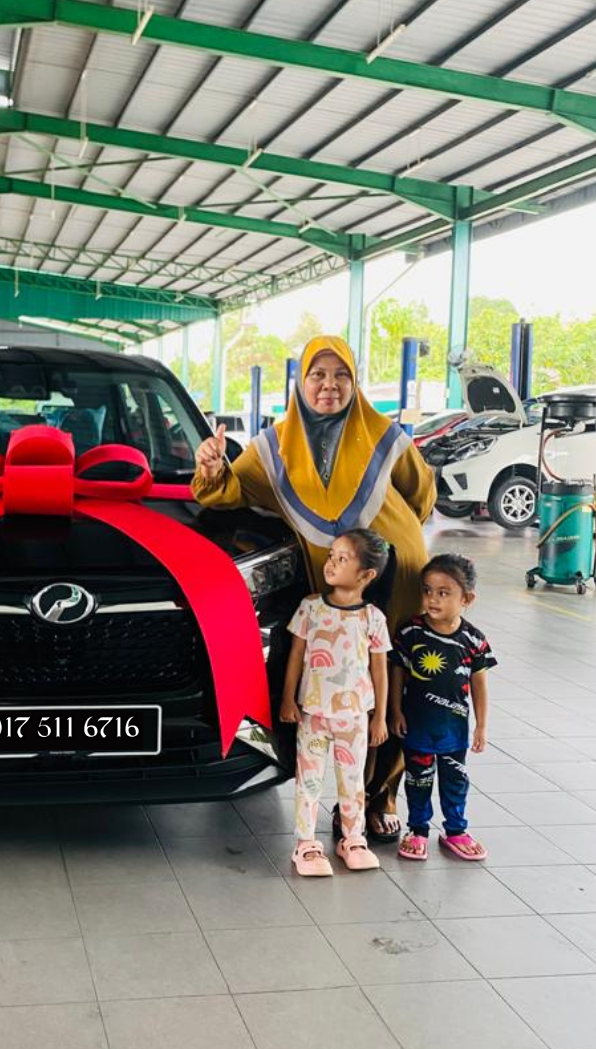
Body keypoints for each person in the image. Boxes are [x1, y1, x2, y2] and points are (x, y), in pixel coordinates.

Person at [193, 335, 435, 842]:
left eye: (341, 374)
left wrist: (388, 540)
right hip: (332, 591)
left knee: (393, 682)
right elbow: (230, 491)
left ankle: (380, 797)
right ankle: (339, 792)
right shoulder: (273, 447)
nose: (329, 385)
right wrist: (212, 466)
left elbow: (421, 495)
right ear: (300, 383)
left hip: (398, 576)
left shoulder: (384, 436)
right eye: (317, 375)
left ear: (354, 381)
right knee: (341, 689)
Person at [280, 529, 391, 876]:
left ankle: (353, 839)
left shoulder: (373, 618)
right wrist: (288, 699)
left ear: (366, 575)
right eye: (331, 555)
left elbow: (380, 670)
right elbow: (295, 656)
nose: (331, 563)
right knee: (309, 779)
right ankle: (305, 843)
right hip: (312, 714)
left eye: (342, 559)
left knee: (353, 780)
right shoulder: (310, 608)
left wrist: (379, 717)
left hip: (354, 718)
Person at [389, 554, 494, 861]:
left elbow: (479, 685)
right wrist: (395, 711)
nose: (433, 599)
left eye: (444, 592)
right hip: (416, 727)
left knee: (455, 781)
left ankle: (456, 830)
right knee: (417, 780)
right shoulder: (410, 632)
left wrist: (481, 726)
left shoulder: (474, 640)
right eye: (427, 590)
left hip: (454, 730)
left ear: (467, 599)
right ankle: (417, 830)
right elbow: (397, 672)